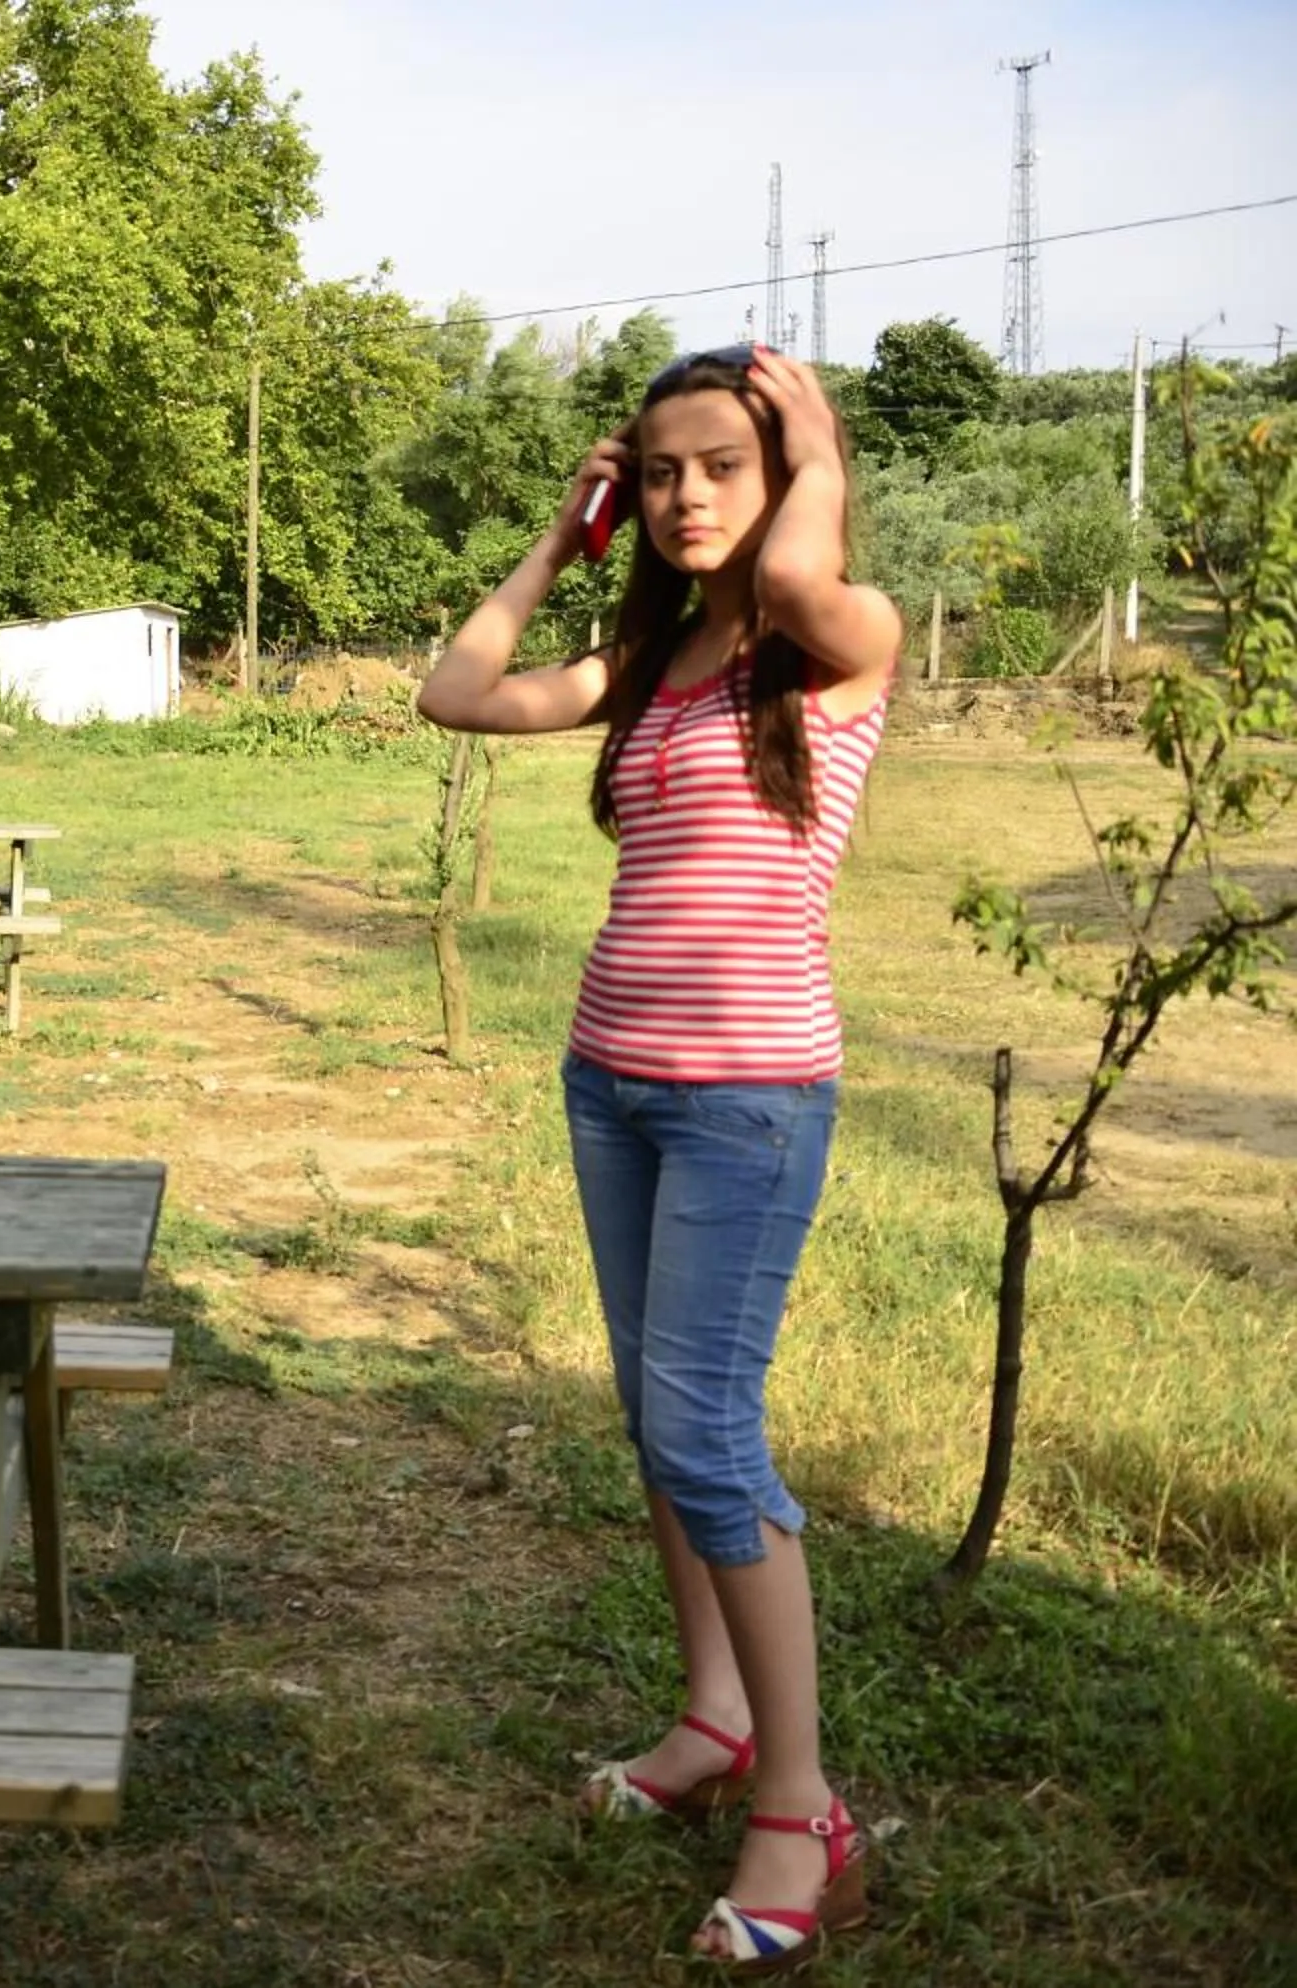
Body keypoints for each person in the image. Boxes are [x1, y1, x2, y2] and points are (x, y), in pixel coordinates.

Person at [414, 344, 898, 1971]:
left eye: (727, 466)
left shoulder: (838, 644)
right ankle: (710, 1724)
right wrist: (565, 542)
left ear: (783, 479)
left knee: (707, 1434)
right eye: (665, 469)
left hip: (749, 1099)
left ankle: (803, 1806)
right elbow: (458, 693)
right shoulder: (660, 655)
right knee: (654, 1422)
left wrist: (815, 446)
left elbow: (810, 563)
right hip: (610, 1081)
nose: (693, 496)